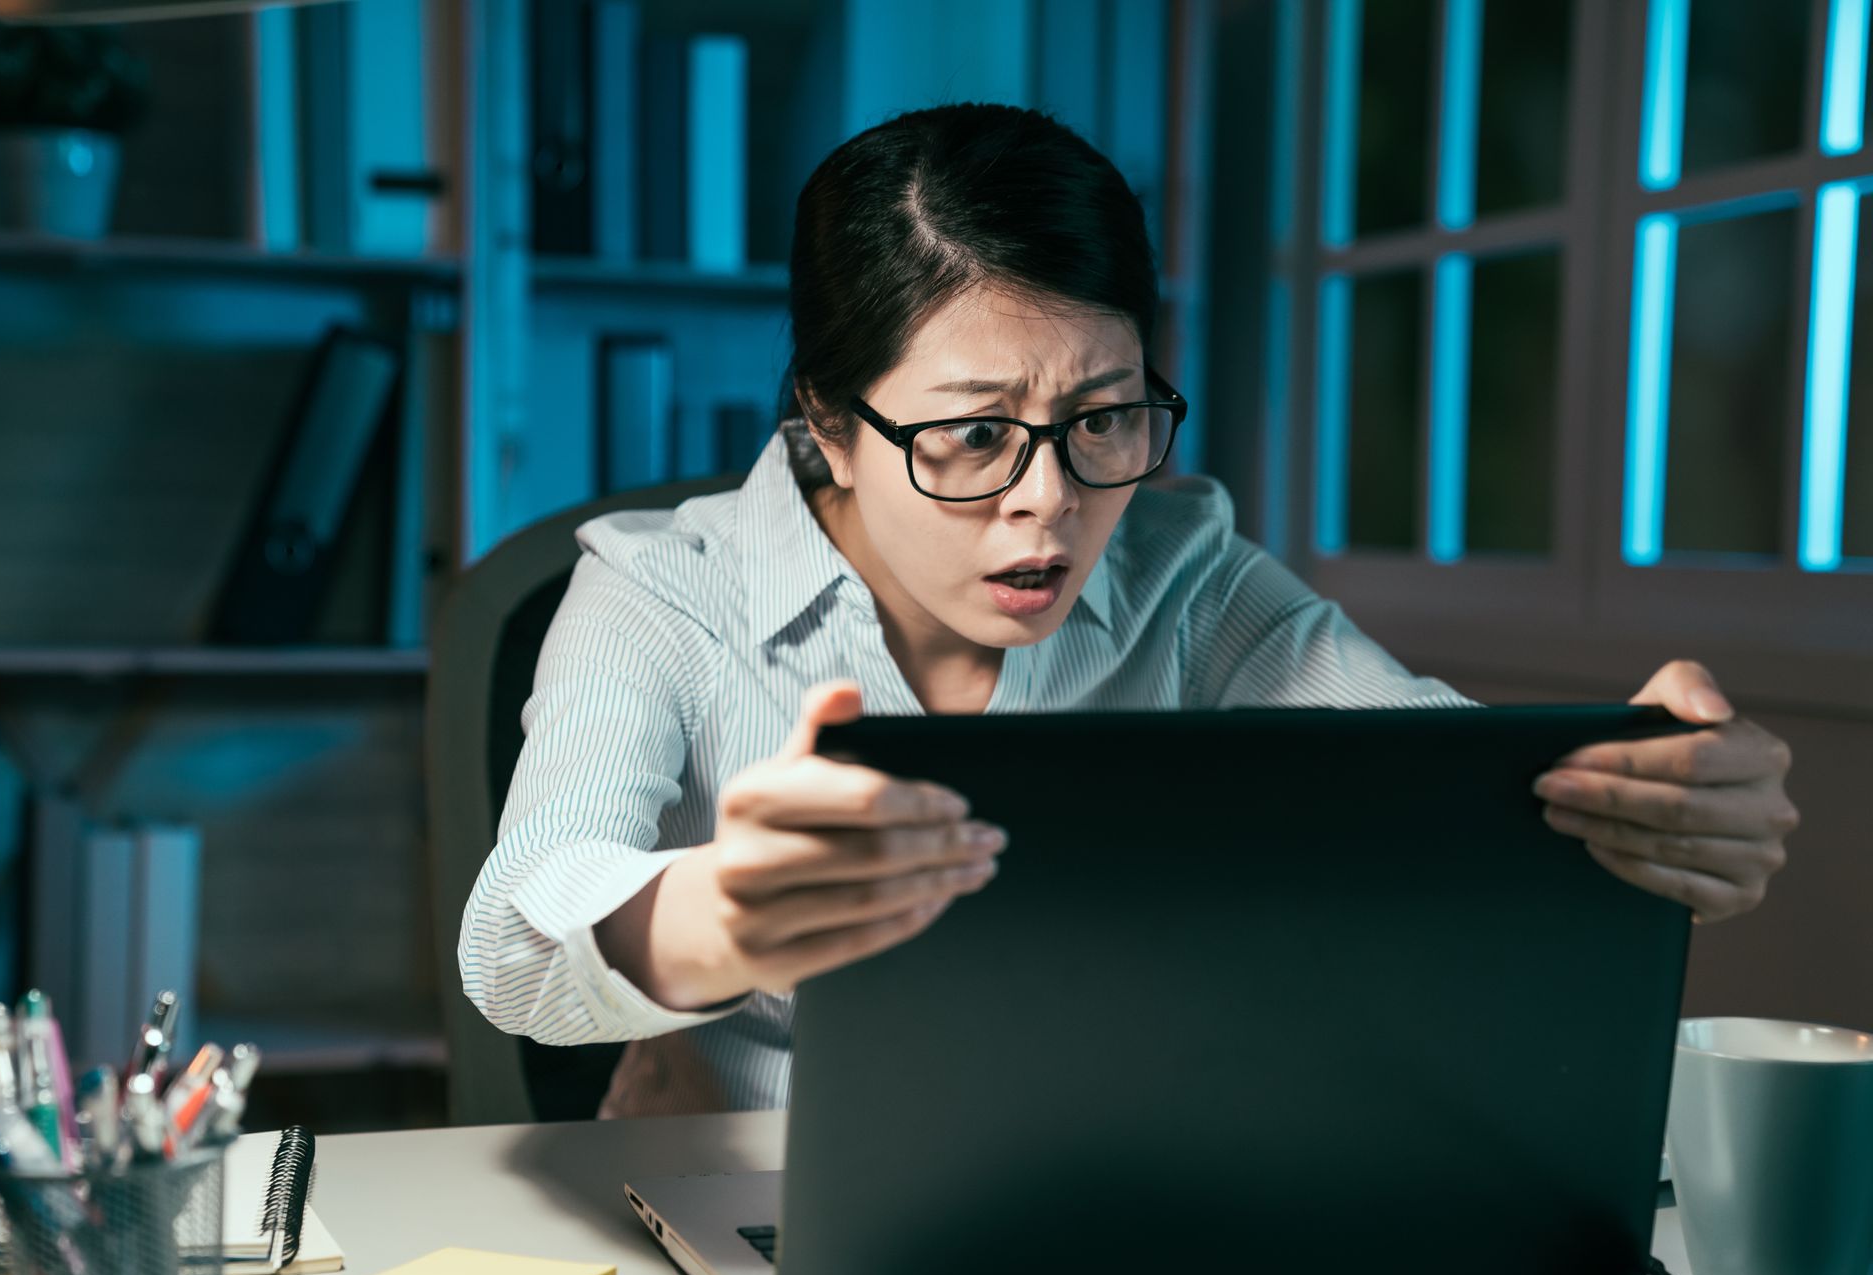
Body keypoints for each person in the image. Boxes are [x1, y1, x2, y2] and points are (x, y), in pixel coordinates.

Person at [459, 103, 1798, 1118]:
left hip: (1133, 1183)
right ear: (828, 424)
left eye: (1103, 417)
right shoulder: (655, 593)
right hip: (757, 1200)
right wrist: (711, 920)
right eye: (975, 435)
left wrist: (1644, 806)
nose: (1049, 504)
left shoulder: (1180, 564)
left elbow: (1434, 781)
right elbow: (514, 931)